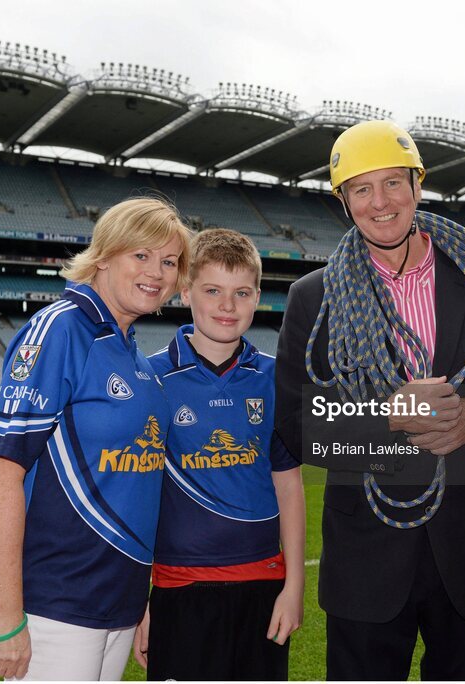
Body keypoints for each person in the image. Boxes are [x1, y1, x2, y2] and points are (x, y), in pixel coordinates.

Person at [275, 120, 465, 680]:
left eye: (392, 184)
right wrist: (388, 415)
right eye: (361, 189)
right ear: (344, 200)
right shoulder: (313, 297)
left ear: (417, 186)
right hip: (367, 559)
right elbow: (293, 425)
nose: (380, 203)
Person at [0, 197, 191, 680]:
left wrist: (142, 601)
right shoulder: (60, 330)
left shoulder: (136, 358)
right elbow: (0, 475)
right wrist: (7, 617)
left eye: (169, 261)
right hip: (59, 605)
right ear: (104, 255)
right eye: (141, 255)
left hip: (119, 603)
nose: (156, 272)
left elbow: (135, 493)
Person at [135, 229, 304, 681]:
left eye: (241, 292)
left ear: (257, 298)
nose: (227, 306)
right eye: (212, 290)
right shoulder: (150, 378)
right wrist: (141, 602)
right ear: (186, 290)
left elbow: (288, 486)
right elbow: (137, 496)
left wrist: (294, 587)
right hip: (179, 588)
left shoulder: (274, 379)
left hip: (264, 585)